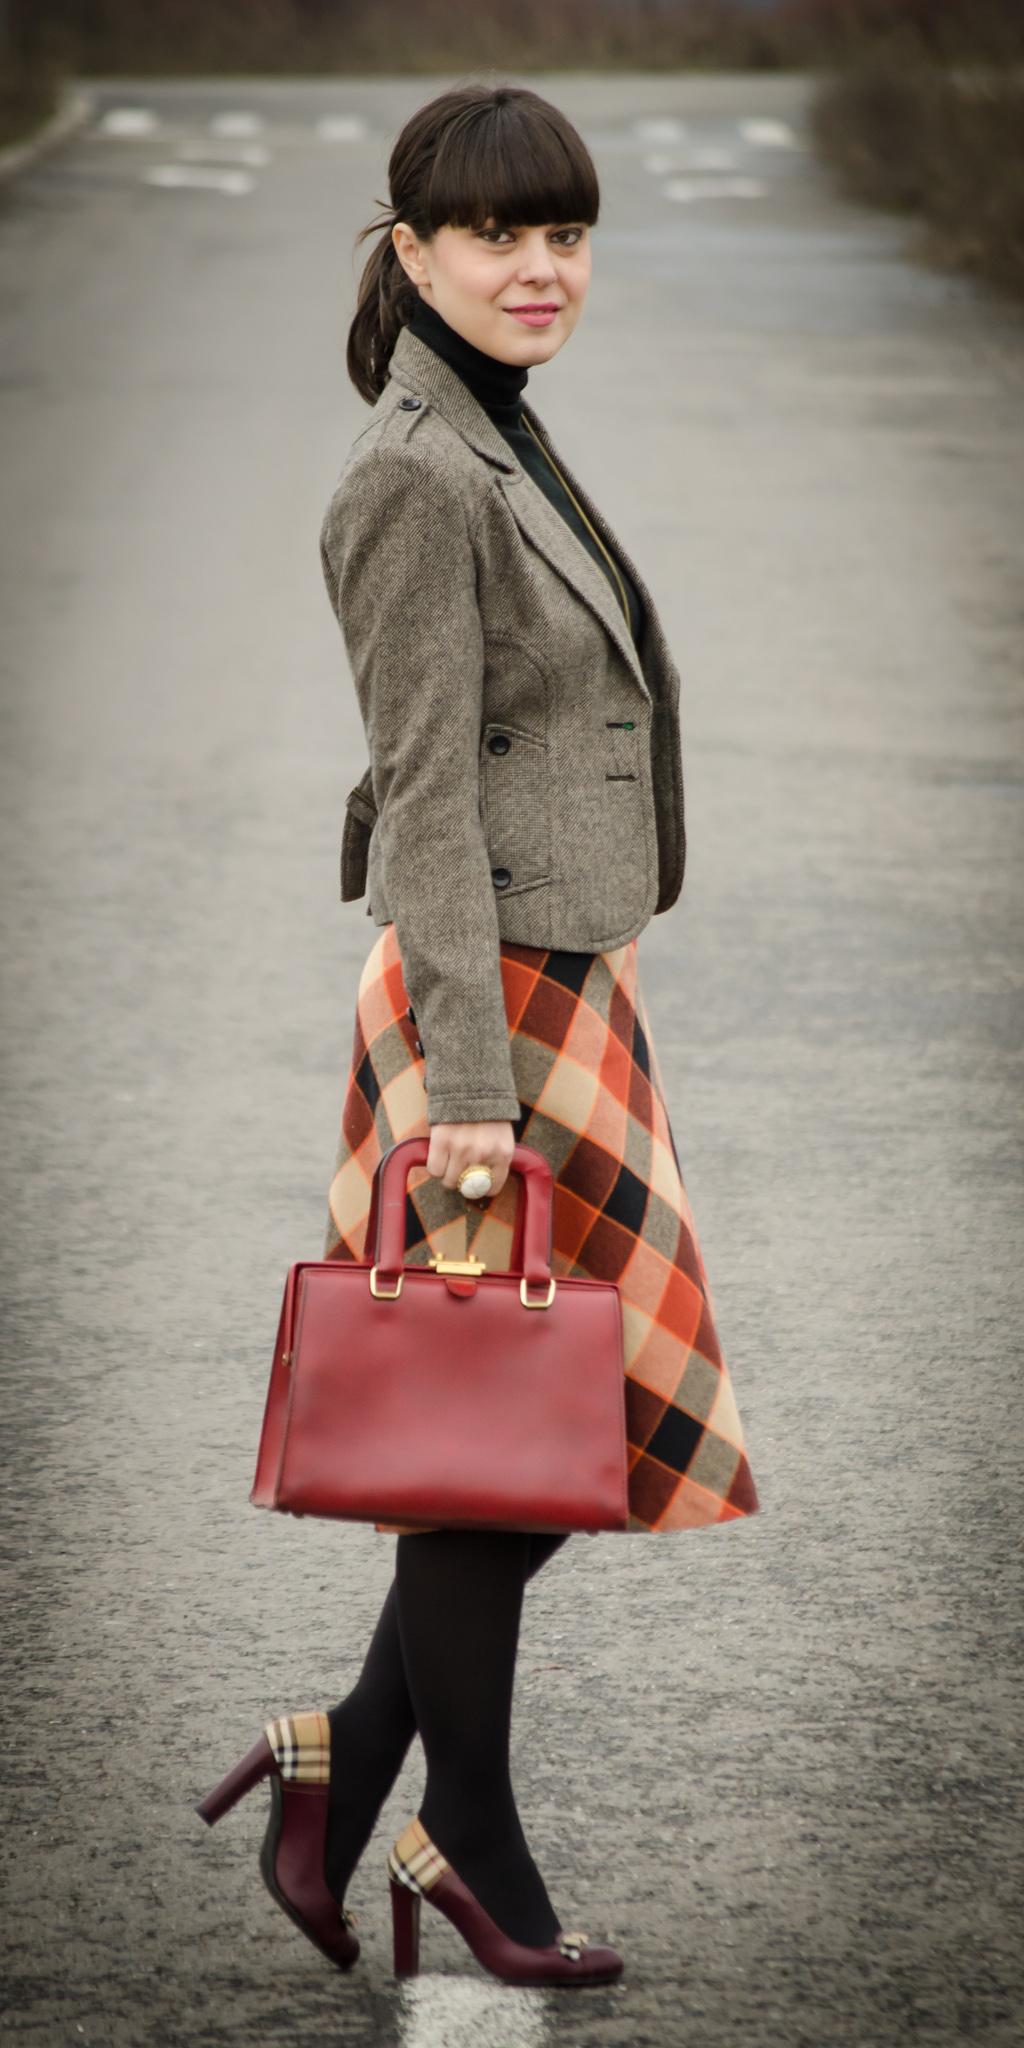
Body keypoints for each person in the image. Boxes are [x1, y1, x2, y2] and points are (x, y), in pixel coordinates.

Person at [198, 82, 757, 1989]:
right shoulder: (412, 475)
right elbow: (425, 802)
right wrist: (466, 1094)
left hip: (559, 982)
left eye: (568, 235)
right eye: (500, 236)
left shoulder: (490, 434)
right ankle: (468, 1842)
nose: (541, 268)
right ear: (413, 250)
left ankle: (348, 1760)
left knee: (537, 1436)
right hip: (487, 1000)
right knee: (498, 1446)